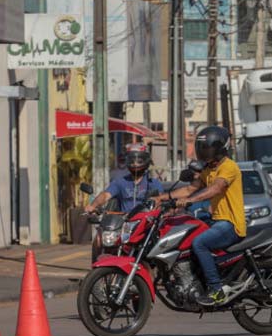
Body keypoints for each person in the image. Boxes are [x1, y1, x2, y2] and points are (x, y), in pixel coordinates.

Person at [154, 126, 245, 306]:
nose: (205, 152)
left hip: (231, 224)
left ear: (220, 148)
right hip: (216, 221)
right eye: (203, 148)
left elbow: (216, 188)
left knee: (199, 243)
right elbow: (189, 188)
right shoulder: (208, 169)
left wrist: (190, 201)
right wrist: (161, 198)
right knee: (186, 234)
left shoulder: (229, 167)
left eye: (208, 148)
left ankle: (216, 290)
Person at [85, 143, 164, 214]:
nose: (135, 164)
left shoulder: (153, 183)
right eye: (132, 161)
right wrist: (93, 205)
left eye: (139, 161)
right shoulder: (120, 182)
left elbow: (161, 201)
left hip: (147, 224)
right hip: (124, 223)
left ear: (146, 162)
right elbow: (105, 195)